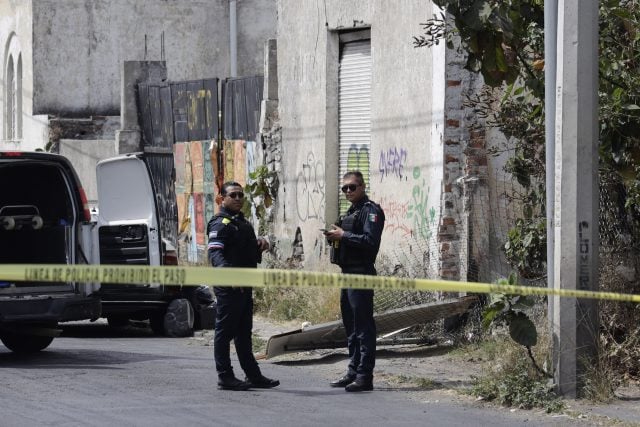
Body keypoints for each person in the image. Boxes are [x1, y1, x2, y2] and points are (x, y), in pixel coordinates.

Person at [207, 181, 280, 391]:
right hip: (230, 287)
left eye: (241, 195)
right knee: (224, 333)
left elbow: (241, 250)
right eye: (233, 195)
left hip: (245, 285)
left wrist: (259, 245)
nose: (238, 199)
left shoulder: (239, 222)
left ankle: (253, 375)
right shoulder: (220, 223)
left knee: (243, 333)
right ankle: (225, 376)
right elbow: (216, 253)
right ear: (222, 199)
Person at [324, 171, 385, 392]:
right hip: (347, 273)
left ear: (362, 187)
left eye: (352, 187)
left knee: (363, 327)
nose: (348, 191)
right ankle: (352, 371)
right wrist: (334, 236)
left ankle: (364, 376)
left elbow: (370, 242)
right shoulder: (352, 211)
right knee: (350, 326)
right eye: (345, 188)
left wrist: (344, 236)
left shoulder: (371, 211)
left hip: (361, 273)